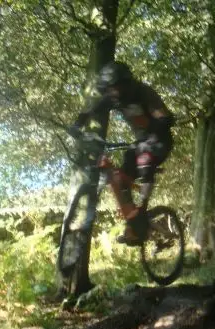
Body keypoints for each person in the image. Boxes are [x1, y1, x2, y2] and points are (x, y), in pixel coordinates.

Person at [68, 61, 175, 245]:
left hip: (160, 141)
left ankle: (142, 210)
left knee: (145, 158)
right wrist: (77, 125)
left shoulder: (144, 92)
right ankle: (134, 226)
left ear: (125, 84)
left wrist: (150, 129)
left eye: (114, 88)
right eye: (108, 90)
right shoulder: (113, 98)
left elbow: (167, 119)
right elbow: (92, 109)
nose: (111, 93)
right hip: (141, 142)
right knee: (120, 178)